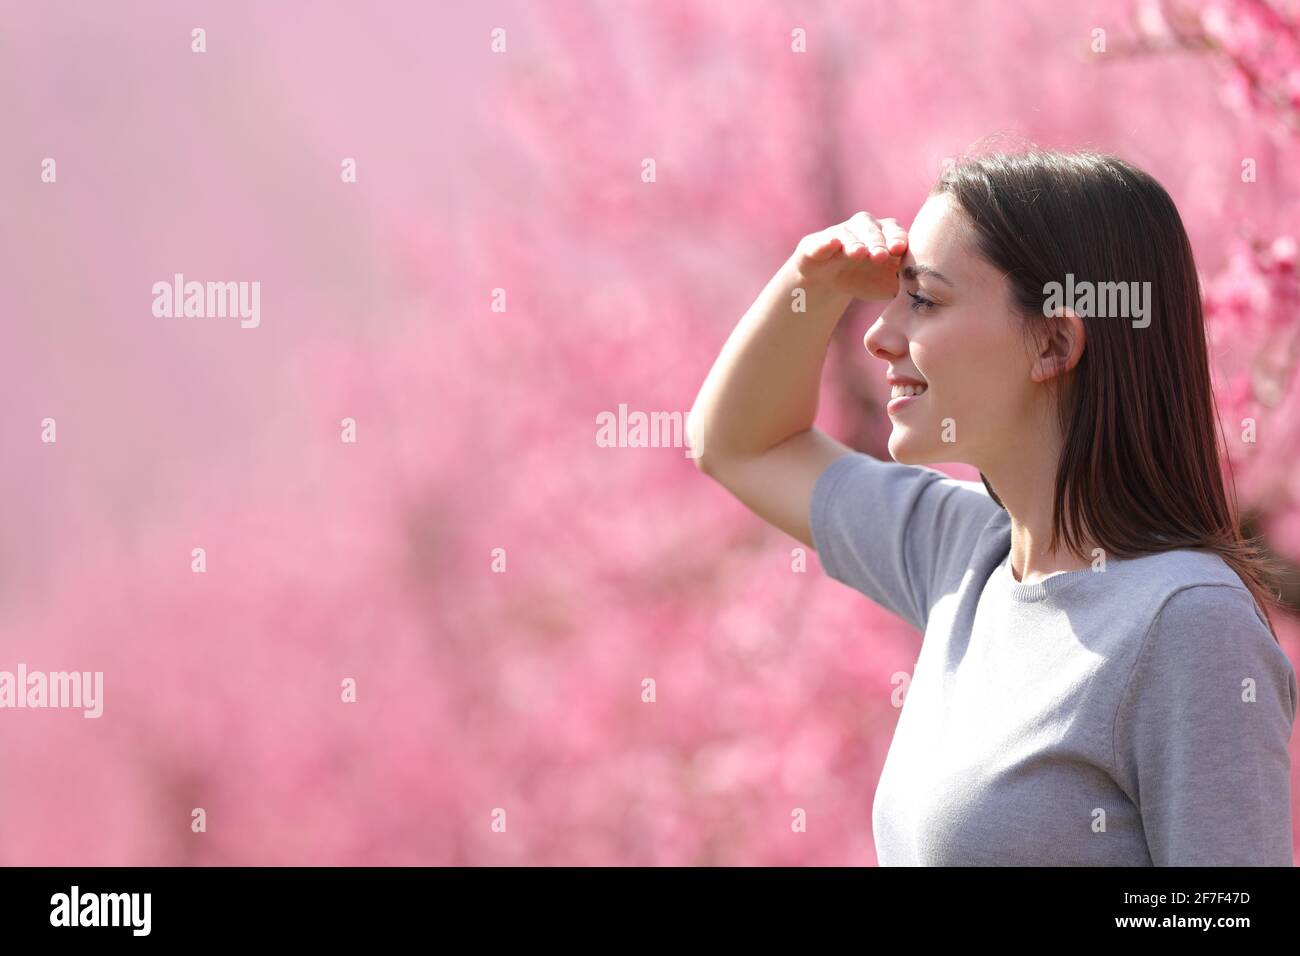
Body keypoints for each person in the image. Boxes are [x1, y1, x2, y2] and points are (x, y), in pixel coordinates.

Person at [687, 147, 1298, 866]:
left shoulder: (1188, 621)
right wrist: (810, 283)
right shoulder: (964, 552)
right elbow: (736, 444)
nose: (879, 337)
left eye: (924, 300)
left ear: (1054, 341)